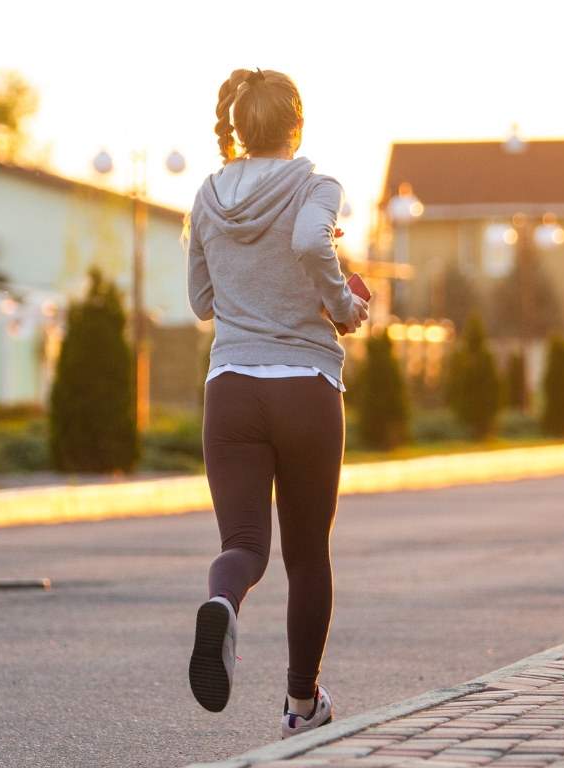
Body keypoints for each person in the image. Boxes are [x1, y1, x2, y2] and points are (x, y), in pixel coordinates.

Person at [184, 67, 369, 739]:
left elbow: (202, 303)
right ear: (298, 124)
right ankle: (300, 705)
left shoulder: (207, 194)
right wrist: (343, 304)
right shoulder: (317, 186)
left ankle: (224, 603)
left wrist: (244, 284)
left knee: (242, 545)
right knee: (308, 553)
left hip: (230, 388)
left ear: (237, 129)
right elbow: (308, 241)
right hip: (305, 387)